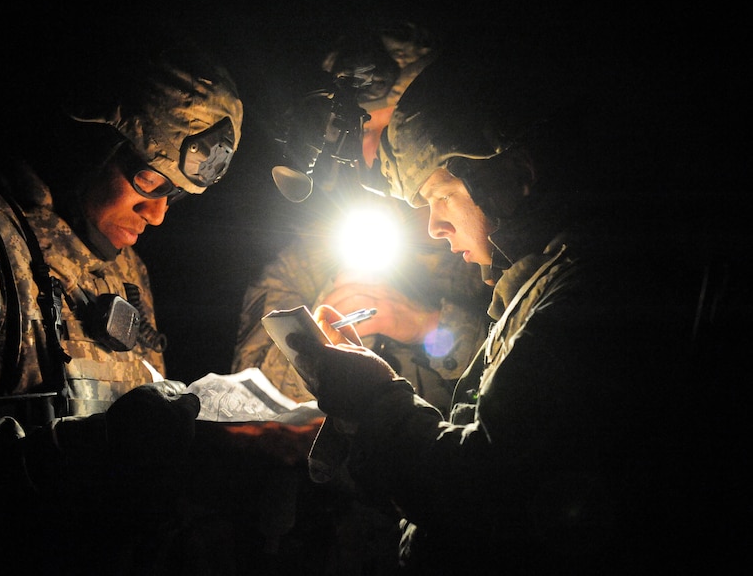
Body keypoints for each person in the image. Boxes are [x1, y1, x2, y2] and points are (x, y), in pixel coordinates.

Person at [285, 55, 737, 574]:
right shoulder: (556, 276)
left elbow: (489, 489)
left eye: (441, 197)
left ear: (514, 178)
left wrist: (377, 401)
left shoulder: (596, 292)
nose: (434, 227)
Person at [0, 31, 246, 574]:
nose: (157, 214)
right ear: (88, 145)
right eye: (150, 180)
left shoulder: (127, 271)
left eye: (174, 194)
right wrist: (93, 452)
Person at [233, 22, 488, 418]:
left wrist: (430, 326)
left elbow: (525, 378)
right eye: (357, 133)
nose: (372, 155)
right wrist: (320, 341)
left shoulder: (483, 250)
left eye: (389, 135)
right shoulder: (307, 262)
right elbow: (251, 406)